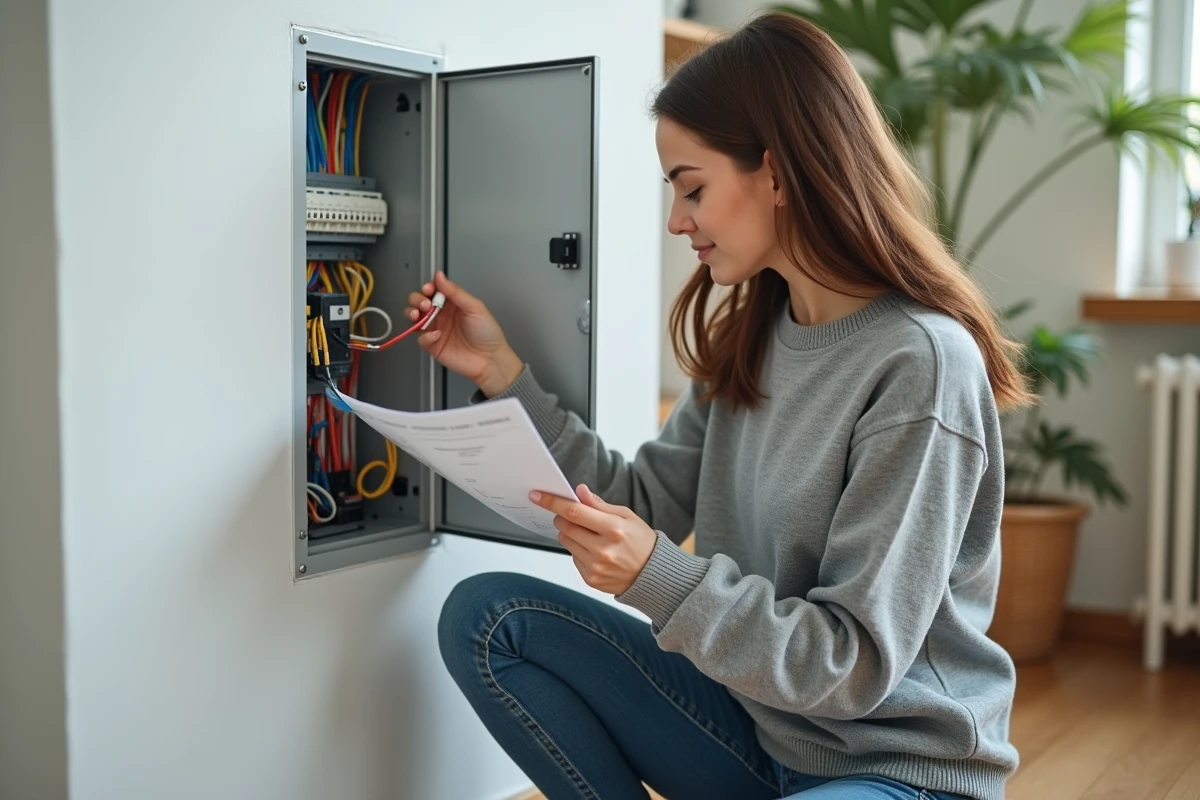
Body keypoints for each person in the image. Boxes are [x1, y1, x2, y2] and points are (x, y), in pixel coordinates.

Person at [422, 11, 1028, 800]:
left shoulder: (919, 364)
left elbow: (852, 668)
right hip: (760, 735)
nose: (678, 221)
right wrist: (503, 374)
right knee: (488, 618)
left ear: (776, 174)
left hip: (895, 768)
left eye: (693, 189)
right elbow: (638, 502)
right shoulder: (754, 333)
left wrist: (657, 576)